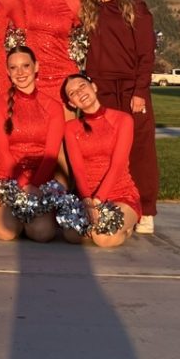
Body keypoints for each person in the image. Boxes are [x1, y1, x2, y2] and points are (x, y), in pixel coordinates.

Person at [80, 0, 159, 235]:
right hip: (100, 89)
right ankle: (111, 201)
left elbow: (146, 54)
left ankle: (146, 209)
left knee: (139, 149)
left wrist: (140, 90)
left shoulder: (135, 6)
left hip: (129, 88)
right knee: (105, 150)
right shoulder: (86, 9)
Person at [0, 45, 65, 243]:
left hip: (40, 178)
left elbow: (51, 153)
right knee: (6, 232)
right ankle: (9, 214)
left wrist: (34, 185)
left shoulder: (52, 107)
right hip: (5, 176)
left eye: (25, 66)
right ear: (7, 72)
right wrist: (22, 184)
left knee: (43, 234)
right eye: (14, 67)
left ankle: (28, 218)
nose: (20, 72)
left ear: (36, 67)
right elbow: (2, 152)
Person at [60, 73, 140, 247]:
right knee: (71, 235)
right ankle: (100, 224)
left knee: (102, 238)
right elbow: (78, 169)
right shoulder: (71, 128)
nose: (80, 93)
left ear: (94, 87)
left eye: (82, 86)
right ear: (72, 103)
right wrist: (87, 200)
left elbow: (118, 165)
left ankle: (127, 226)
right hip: (88, 197)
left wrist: (97, 201)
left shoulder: (122, 120)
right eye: (72, 93)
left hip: (120, 193)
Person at [21, 0, 81, 101]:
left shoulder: (75, 2)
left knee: (65, 125)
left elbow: (81, 39)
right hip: (33, 75)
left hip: (63, 75)